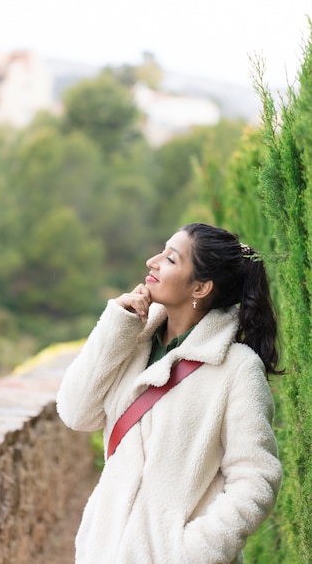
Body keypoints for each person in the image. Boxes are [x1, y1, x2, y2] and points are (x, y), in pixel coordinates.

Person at [57, 223, 283, 564]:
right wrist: (117, 323)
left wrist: (192, 552)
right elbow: (75, 412)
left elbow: (257, 478)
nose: (152, 261)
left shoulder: (237, 368)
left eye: (171, 259)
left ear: (201, 287)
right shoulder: (131, 341)